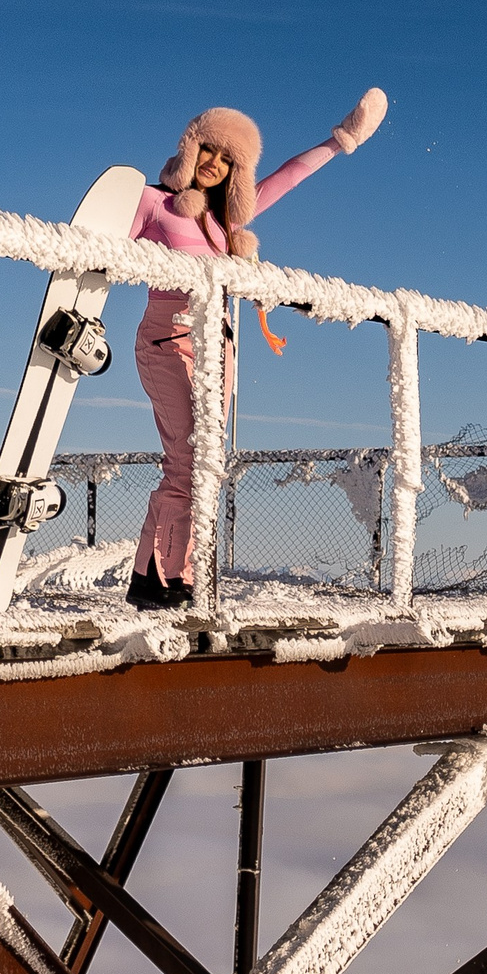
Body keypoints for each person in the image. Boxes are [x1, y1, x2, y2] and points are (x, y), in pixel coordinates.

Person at [125, 89, 388, 609]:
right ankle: (174, 580)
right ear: (190, 147)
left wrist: (344, 140)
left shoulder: (226, 226)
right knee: (188, 461)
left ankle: (153, 579)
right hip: (166, 340)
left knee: (205, 462)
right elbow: (103, 255)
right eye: (209, 151)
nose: (215, 165)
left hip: (217, 347)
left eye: (229, 161)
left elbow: (290, 175)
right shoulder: (152, 201)